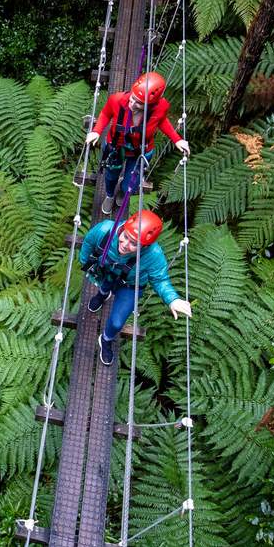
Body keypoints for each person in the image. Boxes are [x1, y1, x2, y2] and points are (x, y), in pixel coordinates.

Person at [79, 209, 192, 365]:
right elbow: (88, 243)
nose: (125, 245)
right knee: (104, 285)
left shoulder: (154, 255)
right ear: (124, 228)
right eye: (125, 236)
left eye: (134, 244)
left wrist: (172, 300)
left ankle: (105, 339)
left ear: (145, 246)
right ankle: (102, 295)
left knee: (117, 322)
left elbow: (160, 279)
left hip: (130, 286)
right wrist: (85, 262)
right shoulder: (105, 230)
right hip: (107, 270)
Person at [85, 72, 191, 215]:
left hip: (140, 150)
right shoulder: (117, 100)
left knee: (131, 184)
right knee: (110, 176)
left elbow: (162, 121)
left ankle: (123, 192)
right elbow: (105, 114)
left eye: (139, 103)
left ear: (151, 104)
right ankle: (110, 195)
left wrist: (177, 139)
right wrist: (96, 131)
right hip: (115, 147)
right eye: (132, 98)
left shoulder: (160, 107)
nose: (132, 104)